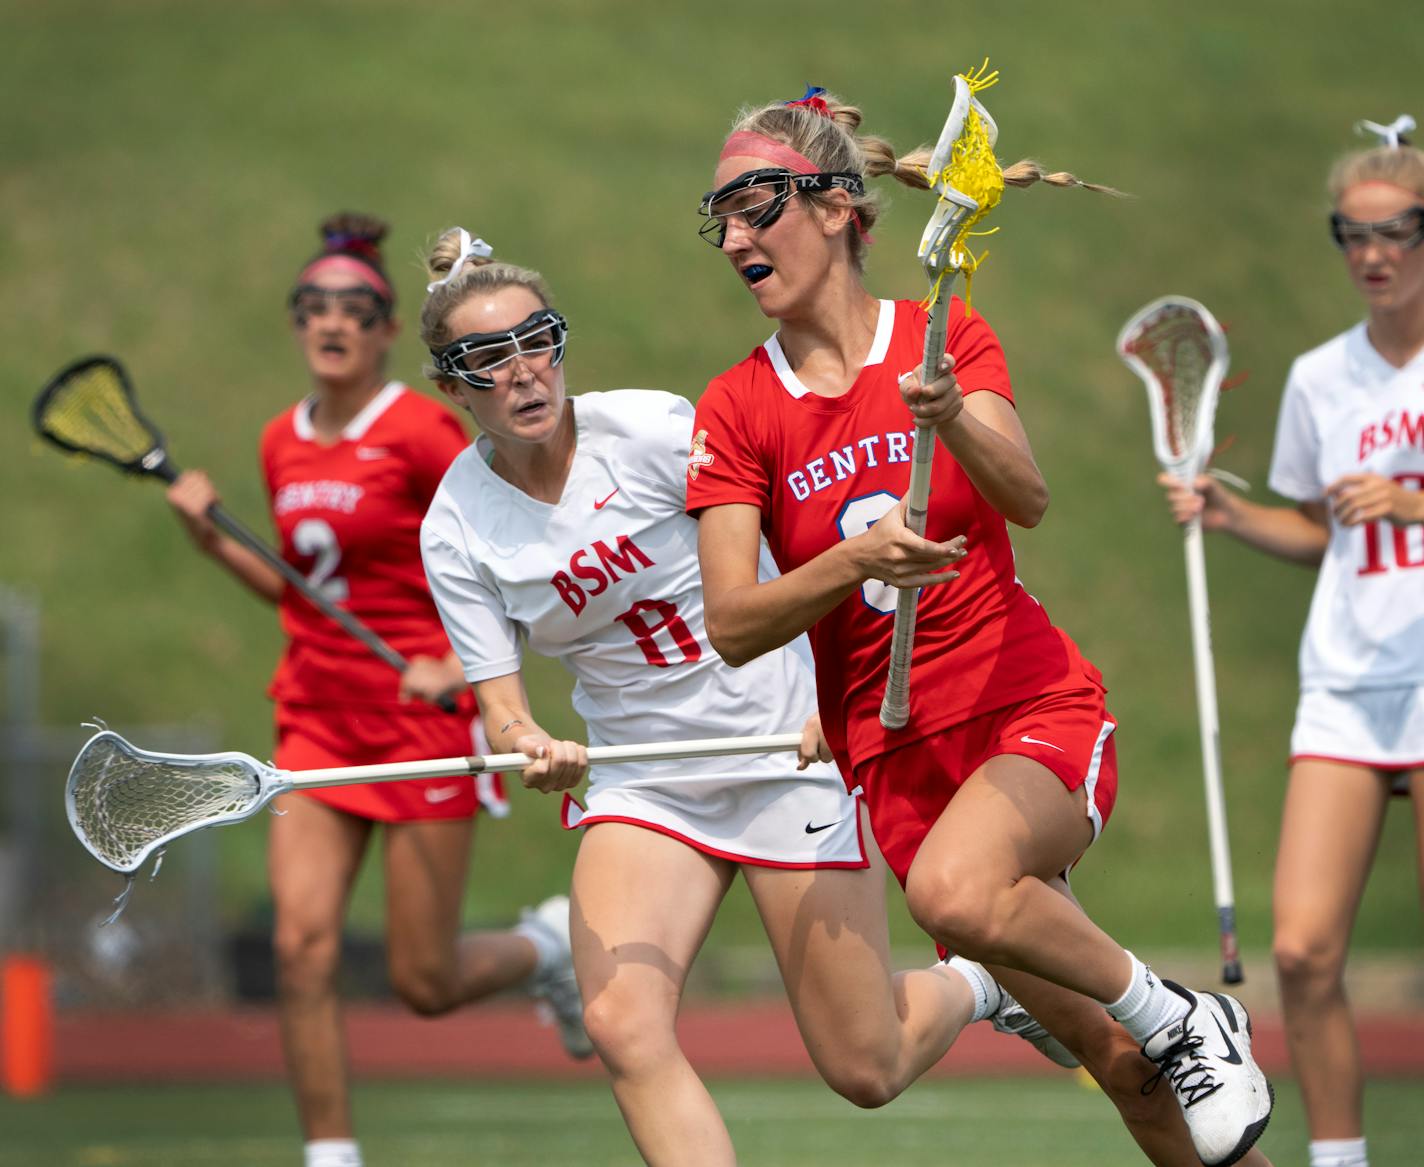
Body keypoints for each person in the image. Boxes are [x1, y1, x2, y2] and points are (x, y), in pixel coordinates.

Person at [416, 229, 1101, 1167]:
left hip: (788, 748)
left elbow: (789, 560)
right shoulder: (455, 523)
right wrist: (533, 741)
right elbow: (501, 704)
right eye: (488, 359)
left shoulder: (653, 430)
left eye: (539, 340)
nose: (526, 372)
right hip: (646, 781)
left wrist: (831, 698)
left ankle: (984, 985)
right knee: (621, 1022)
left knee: (866, 1065)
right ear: (452, 386)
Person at [686, 88, 1276, 1167]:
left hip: (1025, 713)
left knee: (962, 896)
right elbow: (730, 623)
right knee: (1129, 1076)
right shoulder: (735, 409)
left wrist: (947, 409)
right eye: (716, 216)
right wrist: (850, 561)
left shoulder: (941, 338)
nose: (731, 237)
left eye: (754, 206)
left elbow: (1026, 496)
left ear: (832, 209)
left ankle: (1187, 1014)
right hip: (896, 769)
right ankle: (1164, 1031)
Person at [165, 213, 588, 1167]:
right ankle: (331, 1153)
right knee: (302, 947)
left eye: (355, 307)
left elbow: (504, 545)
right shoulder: (281, 441)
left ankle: (547, 949)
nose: (332, 321)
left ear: (388, 327)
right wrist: (211, 537)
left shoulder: (420, 429)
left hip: (423, 721)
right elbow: (302, 588)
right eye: (313, 304)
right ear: (295, 322)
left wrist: (458, 660)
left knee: (423, 980)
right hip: (318, 717)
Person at [1159, 116, 1424, 1167]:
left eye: (1395, 232)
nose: (1372, 253)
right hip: (1347, 681)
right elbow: (1316, 528)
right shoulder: (1323, 377)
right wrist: (1225, 514)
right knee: (1303, 951)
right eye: (1350, 234)